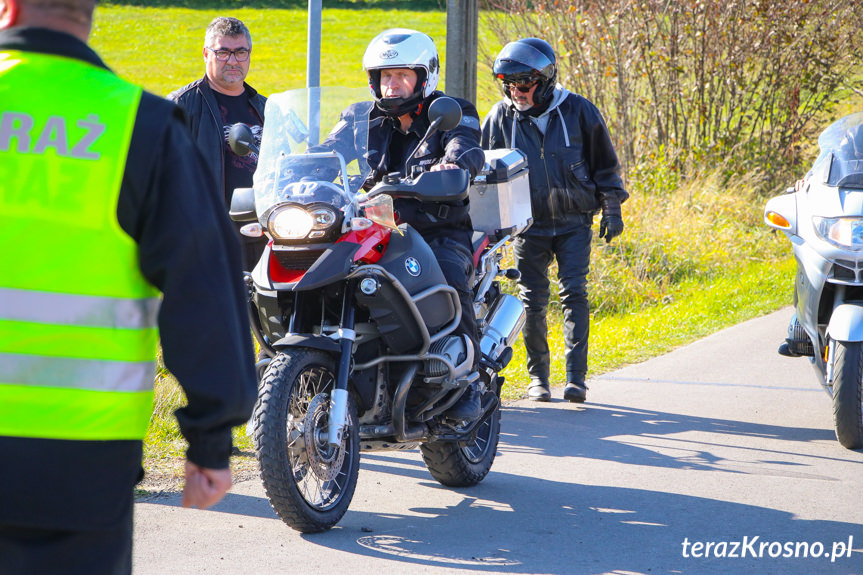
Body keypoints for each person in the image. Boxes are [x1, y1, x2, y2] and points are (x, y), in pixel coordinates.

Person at [0, 0, 258, 573]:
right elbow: (204, 289)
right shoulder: (140, 126)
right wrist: (211, 437)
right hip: (79, 465)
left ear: (8, 8)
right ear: (88, 13)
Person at [312, 28, 486, 420]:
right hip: (374, 228)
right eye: (384, 77)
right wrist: (300, 167)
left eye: (401, 76)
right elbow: (328, 150)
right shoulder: (360, 118)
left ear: (424, 78)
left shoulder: (452, 110)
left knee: (450, 283)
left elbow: (466, 145)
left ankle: (468, 384)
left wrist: (454, 164)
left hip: (435, 229)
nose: (391, 86)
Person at [481, 38, 628, 403]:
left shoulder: (579, 111)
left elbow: (605, 165)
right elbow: (481, 173)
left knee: (574, 292)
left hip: (574, 220)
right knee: (532, 300)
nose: (518, 93)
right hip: (526, 226)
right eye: (510, 86)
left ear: (544, 80)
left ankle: (576, 379)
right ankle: (538, 380)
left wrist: (612, 207)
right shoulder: (499, 117)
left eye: (525, 85)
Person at [167, 16, 267, 271]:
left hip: (262, 234)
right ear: (205, 53)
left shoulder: (265, 108)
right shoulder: (182, 105)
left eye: (240, 52)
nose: (233, 61)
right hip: (207, 237)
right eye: (223, 52)